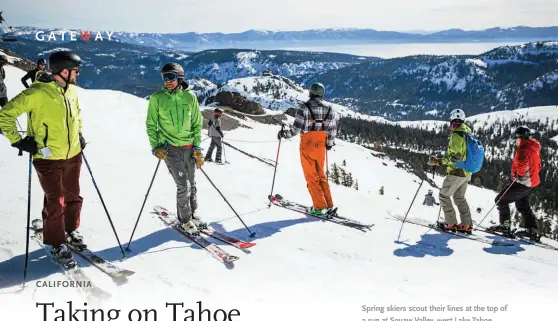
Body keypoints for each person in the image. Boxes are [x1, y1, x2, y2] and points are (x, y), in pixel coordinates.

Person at [0, 50, 86, 265]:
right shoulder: (36, 93)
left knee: (73, 196)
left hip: (73, 154)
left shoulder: (72, 92)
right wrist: (18, 141)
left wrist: (80, 135)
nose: (78, 74)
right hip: (47, 158)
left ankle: (70, 230)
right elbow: (5, 115)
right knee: (55, 200)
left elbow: (77, 116)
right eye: (75, 70)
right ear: (64, 71)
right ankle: (57, 242)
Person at [146, 62, 204, 234]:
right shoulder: (157, 98)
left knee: (192, 183)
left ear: (179, 77)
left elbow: (196, 123)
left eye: (171, 77)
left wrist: (198, 147)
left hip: (189, 147)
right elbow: (151, 125)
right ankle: (185, 220)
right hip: (170, 149)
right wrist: (156, 146)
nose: (167, 81)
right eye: (164, 77)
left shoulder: (190, 97)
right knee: (183, 185)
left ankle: (193, 213)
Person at [277, 82, 337, 215]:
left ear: (310, 93)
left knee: (311, 177)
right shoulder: (330, 109)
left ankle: (319, 207)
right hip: (321, 146)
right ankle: (329, 204)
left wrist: (283, 134)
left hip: (307, 146)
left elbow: (295, 130)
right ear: (322, 94)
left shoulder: (304, 108)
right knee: (321, 175)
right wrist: (329, 143)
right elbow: (332, 130)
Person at [487, 126, 542, 240]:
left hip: (523, 182)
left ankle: (505, 227)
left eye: (516, 138)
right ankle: (532, 230)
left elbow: (521, 165)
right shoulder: (534, 147)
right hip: (532, 182)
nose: (516, 140)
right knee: (522, 205)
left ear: (519, 137)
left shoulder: (523, 149)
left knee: (501, 200)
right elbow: (539, 165)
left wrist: (518, 175)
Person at [427, 109, 473, 234]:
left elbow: (455, 157)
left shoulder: (456, 134)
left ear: (451, 121)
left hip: (456, 172)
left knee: (444, 195)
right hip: (467, 172)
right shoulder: (467, 132)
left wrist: (438, 161)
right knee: (459, 198)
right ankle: (466, 225)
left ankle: (451, 224)